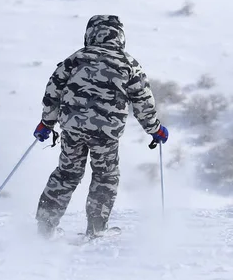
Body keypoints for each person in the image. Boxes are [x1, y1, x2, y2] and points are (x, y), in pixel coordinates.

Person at [33, 14, 168, 238]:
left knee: (66, 174)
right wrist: (155, 129)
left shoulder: (76, 58)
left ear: (90, 34)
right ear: (120, 37)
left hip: (73, 129)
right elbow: (143, 102)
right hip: (106, 133)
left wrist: (47, 122)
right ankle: (96, 228)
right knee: (105, 176)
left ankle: (45, 227)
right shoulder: (128, 63)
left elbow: (53, 89)